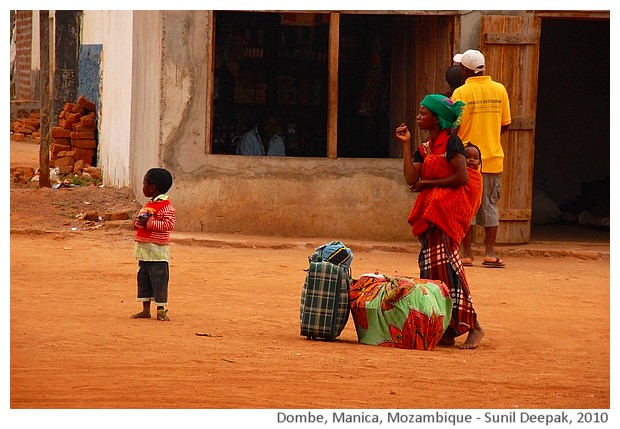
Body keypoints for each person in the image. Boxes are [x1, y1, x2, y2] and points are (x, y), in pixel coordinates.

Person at [395, 94, 485, 349]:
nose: (418, 117)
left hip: (446, 216)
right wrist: (405, 144)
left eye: (423, 113)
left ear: (436, 119)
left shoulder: (453, 143)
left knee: (450, 270)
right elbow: (411, 179)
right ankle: (445, 328)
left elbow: (461, 177)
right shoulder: (423, 148)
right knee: (432, 273)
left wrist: (429, 184)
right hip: (431, 217)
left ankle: (474, 325)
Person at [451, 49, 511, 268]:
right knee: (490, 205)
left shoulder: (460, 92)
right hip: (492, 157)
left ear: (465, 69)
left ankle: (466, 254)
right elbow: (506, 124)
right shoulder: (500, 89)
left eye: (460, 67)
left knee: (467, 207)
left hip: (466, 159)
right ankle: (490, 253)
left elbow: (454, 126)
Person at [131, 168, 176, 321]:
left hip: (157, 251)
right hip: (144, 250)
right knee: (144, 280)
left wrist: (149, 222)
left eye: (144, 183)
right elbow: (138, 224)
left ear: (152, 187)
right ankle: (145, 310)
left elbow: (168, 225)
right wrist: (138, 222)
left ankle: (161, 310)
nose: (142, 186)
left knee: (159, 280)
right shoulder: (150, 205)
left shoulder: (166, 206)